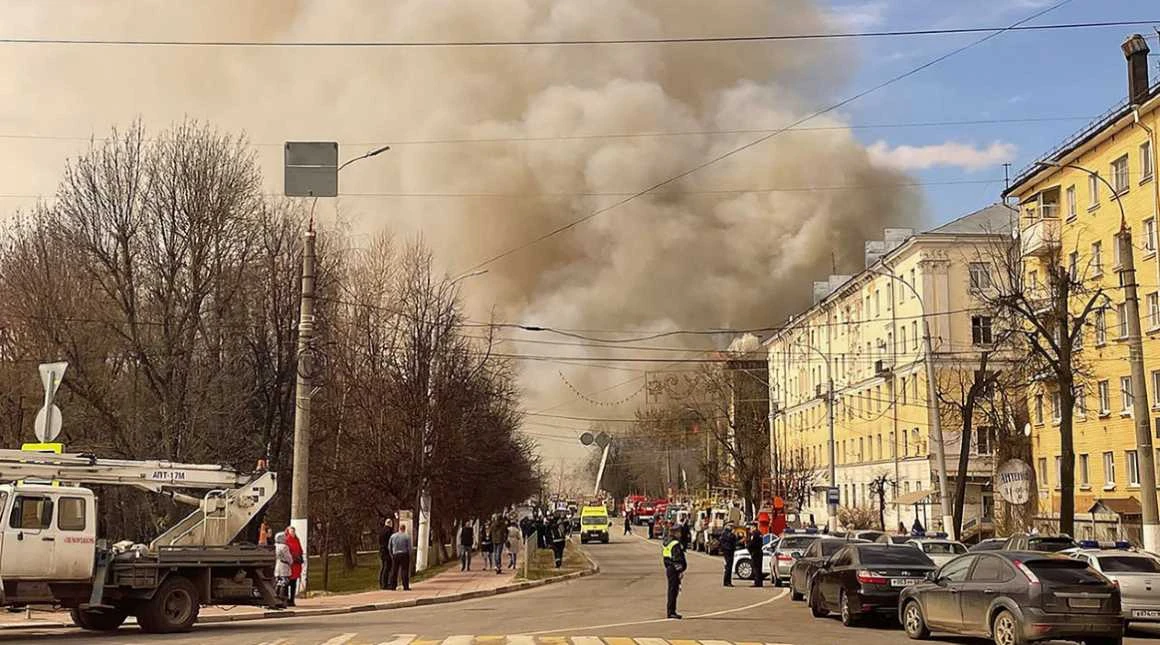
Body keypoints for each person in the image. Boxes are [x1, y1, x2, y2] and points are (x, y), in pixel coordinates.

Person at [662, 525, 687, 619]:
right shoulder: (675, 544)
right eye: (679, 532)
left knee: (672, 590)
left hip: (669, 568)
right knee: (673, 590)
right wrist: (680, 570)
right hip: (674, 569)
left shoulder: (668, 542)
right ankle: (671, 611)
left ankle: (671, 610)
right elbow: (677, 558)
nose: (680, 534)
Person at [388, 522, 413, 590]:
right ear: (404, 529)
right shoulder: (407, 536)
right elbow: (409, 547)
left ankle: (393, 586)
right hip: (404, 554)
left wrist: (391, 554)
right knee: (404, 570)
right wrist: (410, 555)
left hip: (395, 554)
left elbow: (389, 546)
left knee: (394, 570)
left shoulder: (393, 536)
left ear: (399, 528)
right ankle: (405, 586)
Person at [284, 526, 304, 606]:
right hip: (289, 565)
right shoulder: (286, 540)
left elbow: (300, 550)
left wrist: (299, 558)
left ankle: (292, 599)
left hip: (296, 565)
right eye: (291, 531)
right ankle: (285, 599)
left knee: (293, 583)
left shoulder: (296, 540)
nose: (293, 533)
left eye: (294, 531)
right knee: (286, 583)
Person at [273, 531, 293, 602]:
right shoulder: (284, 547)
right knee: (284, 582)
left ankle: (276, 595)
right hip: (284, 565)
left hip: (278, 564)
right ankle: (282, 597)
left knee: (278, 581)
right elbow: (288, 557)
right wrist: (291, 562)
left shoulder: (275, 546)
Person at [718, 523, 737, 587]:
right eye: (730, 526)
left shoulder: (728, 533)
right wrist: (733, 534)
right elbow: (730, 539)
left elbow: (734, 540)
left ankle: (728, 581)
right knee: (728, 567)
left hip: (730, 550)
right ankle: (726, 582)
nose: (732, 528)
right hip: (728, 551)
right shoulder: (725, 533)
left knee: (729, 567)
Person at [379, 519, 395, 589]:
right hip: (387, 551)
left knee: (383, 567)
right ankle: (386, 584)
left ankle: (381, 583)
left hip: (382, 550)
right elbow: (390, 542)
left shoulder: (381, 531)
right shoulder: (389, 531)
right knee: (387, 567)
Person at [746, 524, 764, 588]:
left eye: (751, 527)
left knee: (756, 568)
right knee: (759, 568)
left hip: (755, 553)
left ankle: (757, 583)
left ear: (754, 527)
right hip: (759, 552)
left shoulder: (755, 534)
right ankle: (759, 582)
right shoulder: (759, 533)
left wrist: (748, 546)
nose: (750, 529)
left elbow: (752, 543)